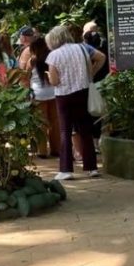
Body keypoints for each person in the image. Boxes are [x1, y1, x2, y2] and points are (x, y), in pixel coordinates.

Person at [45, 25, 105, 180]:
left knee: (65, 131)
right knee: (86, 129)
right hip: (83, 91)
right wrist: (91, 73)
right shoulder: (82, 48)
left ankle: (66, 170)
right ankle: (91, 168)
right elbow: (101, 57)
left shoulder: (54, 55)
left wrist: (49, 77)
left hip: (64, 96)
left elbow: (54, 80)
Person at [28, 35, 60, 159]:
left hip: (38, 94)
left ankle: (42, 151)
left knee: (41, 123)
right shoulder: (51, 58)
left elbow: (26, 75)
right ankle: (56, 149)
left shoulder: (32, 60)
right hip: (53, 93)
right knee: (55, 122)